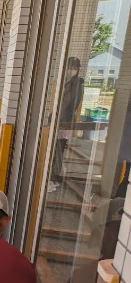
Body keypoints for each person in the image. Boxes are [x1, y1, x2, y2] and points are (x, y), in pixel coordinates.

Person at [48, 57, 84, 193]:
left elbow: (68, 106)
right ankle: (51, 176)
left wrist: (59, 122)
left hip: (63, 123)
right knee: (53, 150)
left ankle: (54, 177)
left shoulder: (76, 85)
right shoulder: (65, 82)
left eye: (73, 68)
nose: (70, 70)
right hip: (57, 121)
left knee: (58, 150)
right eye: (69, 67)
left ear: (77, 69)